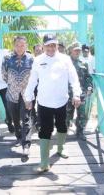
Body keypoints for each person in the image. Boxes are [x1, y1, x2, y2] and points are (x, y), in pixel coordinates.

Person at [24, 33, 82, 173]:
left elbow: (73, 78)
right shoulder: (38, 60)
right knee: (45, 130)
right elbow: (32, 81)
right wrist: (28, 97)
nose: (51, 48)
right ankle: (44, 162)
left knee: (62, 126)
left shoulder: (65, 59)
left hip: (62, 101)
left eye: (53, 45)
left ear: (57, 45)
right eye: (48, 45)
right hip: (44, 103)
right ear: (43, 46)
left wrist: (76, 94)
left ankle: (60, 149)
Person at [2, 36, 34, 158]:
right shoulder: (7, 58)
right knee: (15, 119)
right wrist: (13, 85)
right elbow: (4, 75)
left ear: (26, 46)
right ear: (14, 46)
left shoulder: (31, 59)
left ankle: (26, 145)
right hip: (11, 93)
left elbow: (34, 76)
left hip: (27, 94)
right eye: (17, 45)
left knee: (26, 118)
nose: (20, 48)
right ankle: (18, 135)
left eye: (22, 45)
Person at [66, 42, 93, 141]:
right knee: (67, 115)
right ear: (71, 51)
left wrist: (89, 88)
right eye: (75, 50)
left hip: (81, 93)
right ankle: (64, 132)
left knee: (82, 114)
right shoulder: (65, 63)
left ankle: (80, 132)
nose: (77, 52)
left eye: (79, 50)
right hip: (68, 94)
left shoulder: (83, 64)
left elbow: (88, 78)